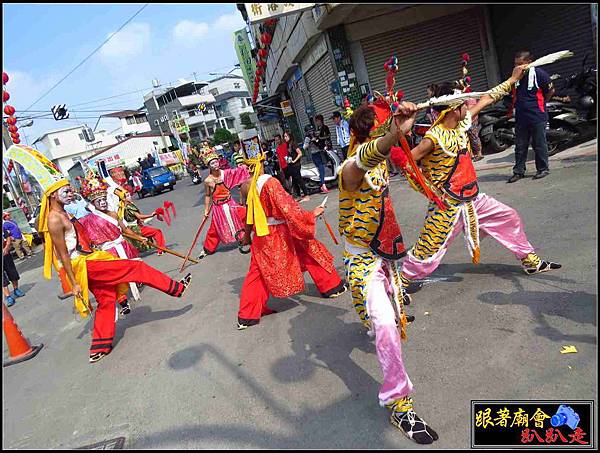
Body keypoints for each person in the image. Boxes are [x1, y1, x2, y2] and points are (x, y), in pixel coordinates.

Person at [391, 66, 561, 298]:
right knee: (429, 248)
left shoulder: (462, 123)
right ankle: (403, 280)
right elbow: (407, 162)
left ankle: (529, 260)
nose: (469, 106)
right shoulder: (433, 138)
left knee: (508, 216)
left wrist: (513, 78)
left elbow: (489, 97)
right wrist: (430, 190)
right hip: (447, 206)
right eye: (463, 104)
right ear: (453, 109)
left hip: (474, 199)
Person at [338, 99, 435, 444]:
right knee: (383, 324)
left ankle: (375, 318)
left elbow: (388, 156)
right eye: (379, 132)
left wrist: (398, 130)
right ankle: (399, 403)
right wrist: (392, 135)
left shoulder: (379, 163)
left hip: (386, 255)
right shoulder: (350, 166)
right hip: (363, 261)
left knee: (386, 318)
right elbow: (366, 158)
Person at [236, 151, 346, 330]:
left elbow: (249, 216)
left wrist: (247, 236)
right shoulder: (270, 182)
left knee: (257, 271)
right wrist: (311, 216)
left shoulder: (245, 186)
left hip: (262, 234)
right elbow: (289, 208)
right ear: (262, 161)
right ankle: (332, 287)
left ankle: (247, 316)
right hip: (281, 231)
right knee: (310, 250)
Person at [508, 50, 555, 183]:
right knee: (520, 145)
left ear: (529, 62)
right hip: (521, 117)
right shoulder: (515, 76)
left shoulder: (539, 74)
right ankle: (518, 171)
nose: (518, 67)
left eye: (520, 64)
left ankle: (543, 169)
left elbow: (551, 90)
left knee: (539, 143)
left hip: (537, 115)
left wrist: (542, 103)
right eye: (516, 64)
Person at [197, 150, 250, 259]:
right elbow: (208, 196)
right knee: (214, 229)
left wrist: (245, 166)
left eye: (216, 162)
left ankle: (256, 233)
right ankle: (208, 248)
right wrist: (206, 211)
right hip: (218, 208)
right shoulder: (207, 181)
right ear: (209, 166)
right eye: (212, 163)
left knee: (246, 214)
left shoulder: (225, 173)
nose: (215, 165)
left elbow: (237, 172)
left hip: (230, 203)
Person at [120, 191, 167, 255]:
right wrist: (151, 215)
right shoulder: (129, 207)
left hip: (132, 227)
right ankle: (161, 250)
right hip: (136, 228)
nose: (130, 197)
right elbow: (139, 216)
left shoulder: (122, 207)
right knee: (157, 232)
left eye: (129, 195)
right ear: (124, 199)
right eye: (127, 196)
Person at [284, 131, 310, 202]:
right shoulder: (288, 144)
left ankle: (306, 194)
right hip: (291, 165)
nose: (285, 138)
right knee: (294, 181)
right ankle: (298, 195)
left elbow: (300, 153)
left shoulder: (293, 144)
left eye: (286, 136)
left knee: (299, 179)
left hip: (296, 165)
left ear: (290, 136)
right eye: (284, 136)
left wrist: (294, 160)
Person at [3, 228, 26, 307]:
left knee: (12, 273)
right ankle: (8, 297)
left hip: (5, 254)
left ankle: (16, 289)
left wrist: (6, 248)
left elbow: (8, 237)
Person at [311, 115, 331, 193]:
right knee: (322, 165)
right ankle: (323, 182)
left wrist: (320, 138)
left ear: (321, 120)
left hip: (326, 147)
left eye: (317, 121)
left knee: (326, 163)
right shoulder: (318, 129)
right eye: (316, 121)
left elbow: (328, 136)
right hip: (320, 148)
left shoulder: (325, 127)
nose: (317, 122)